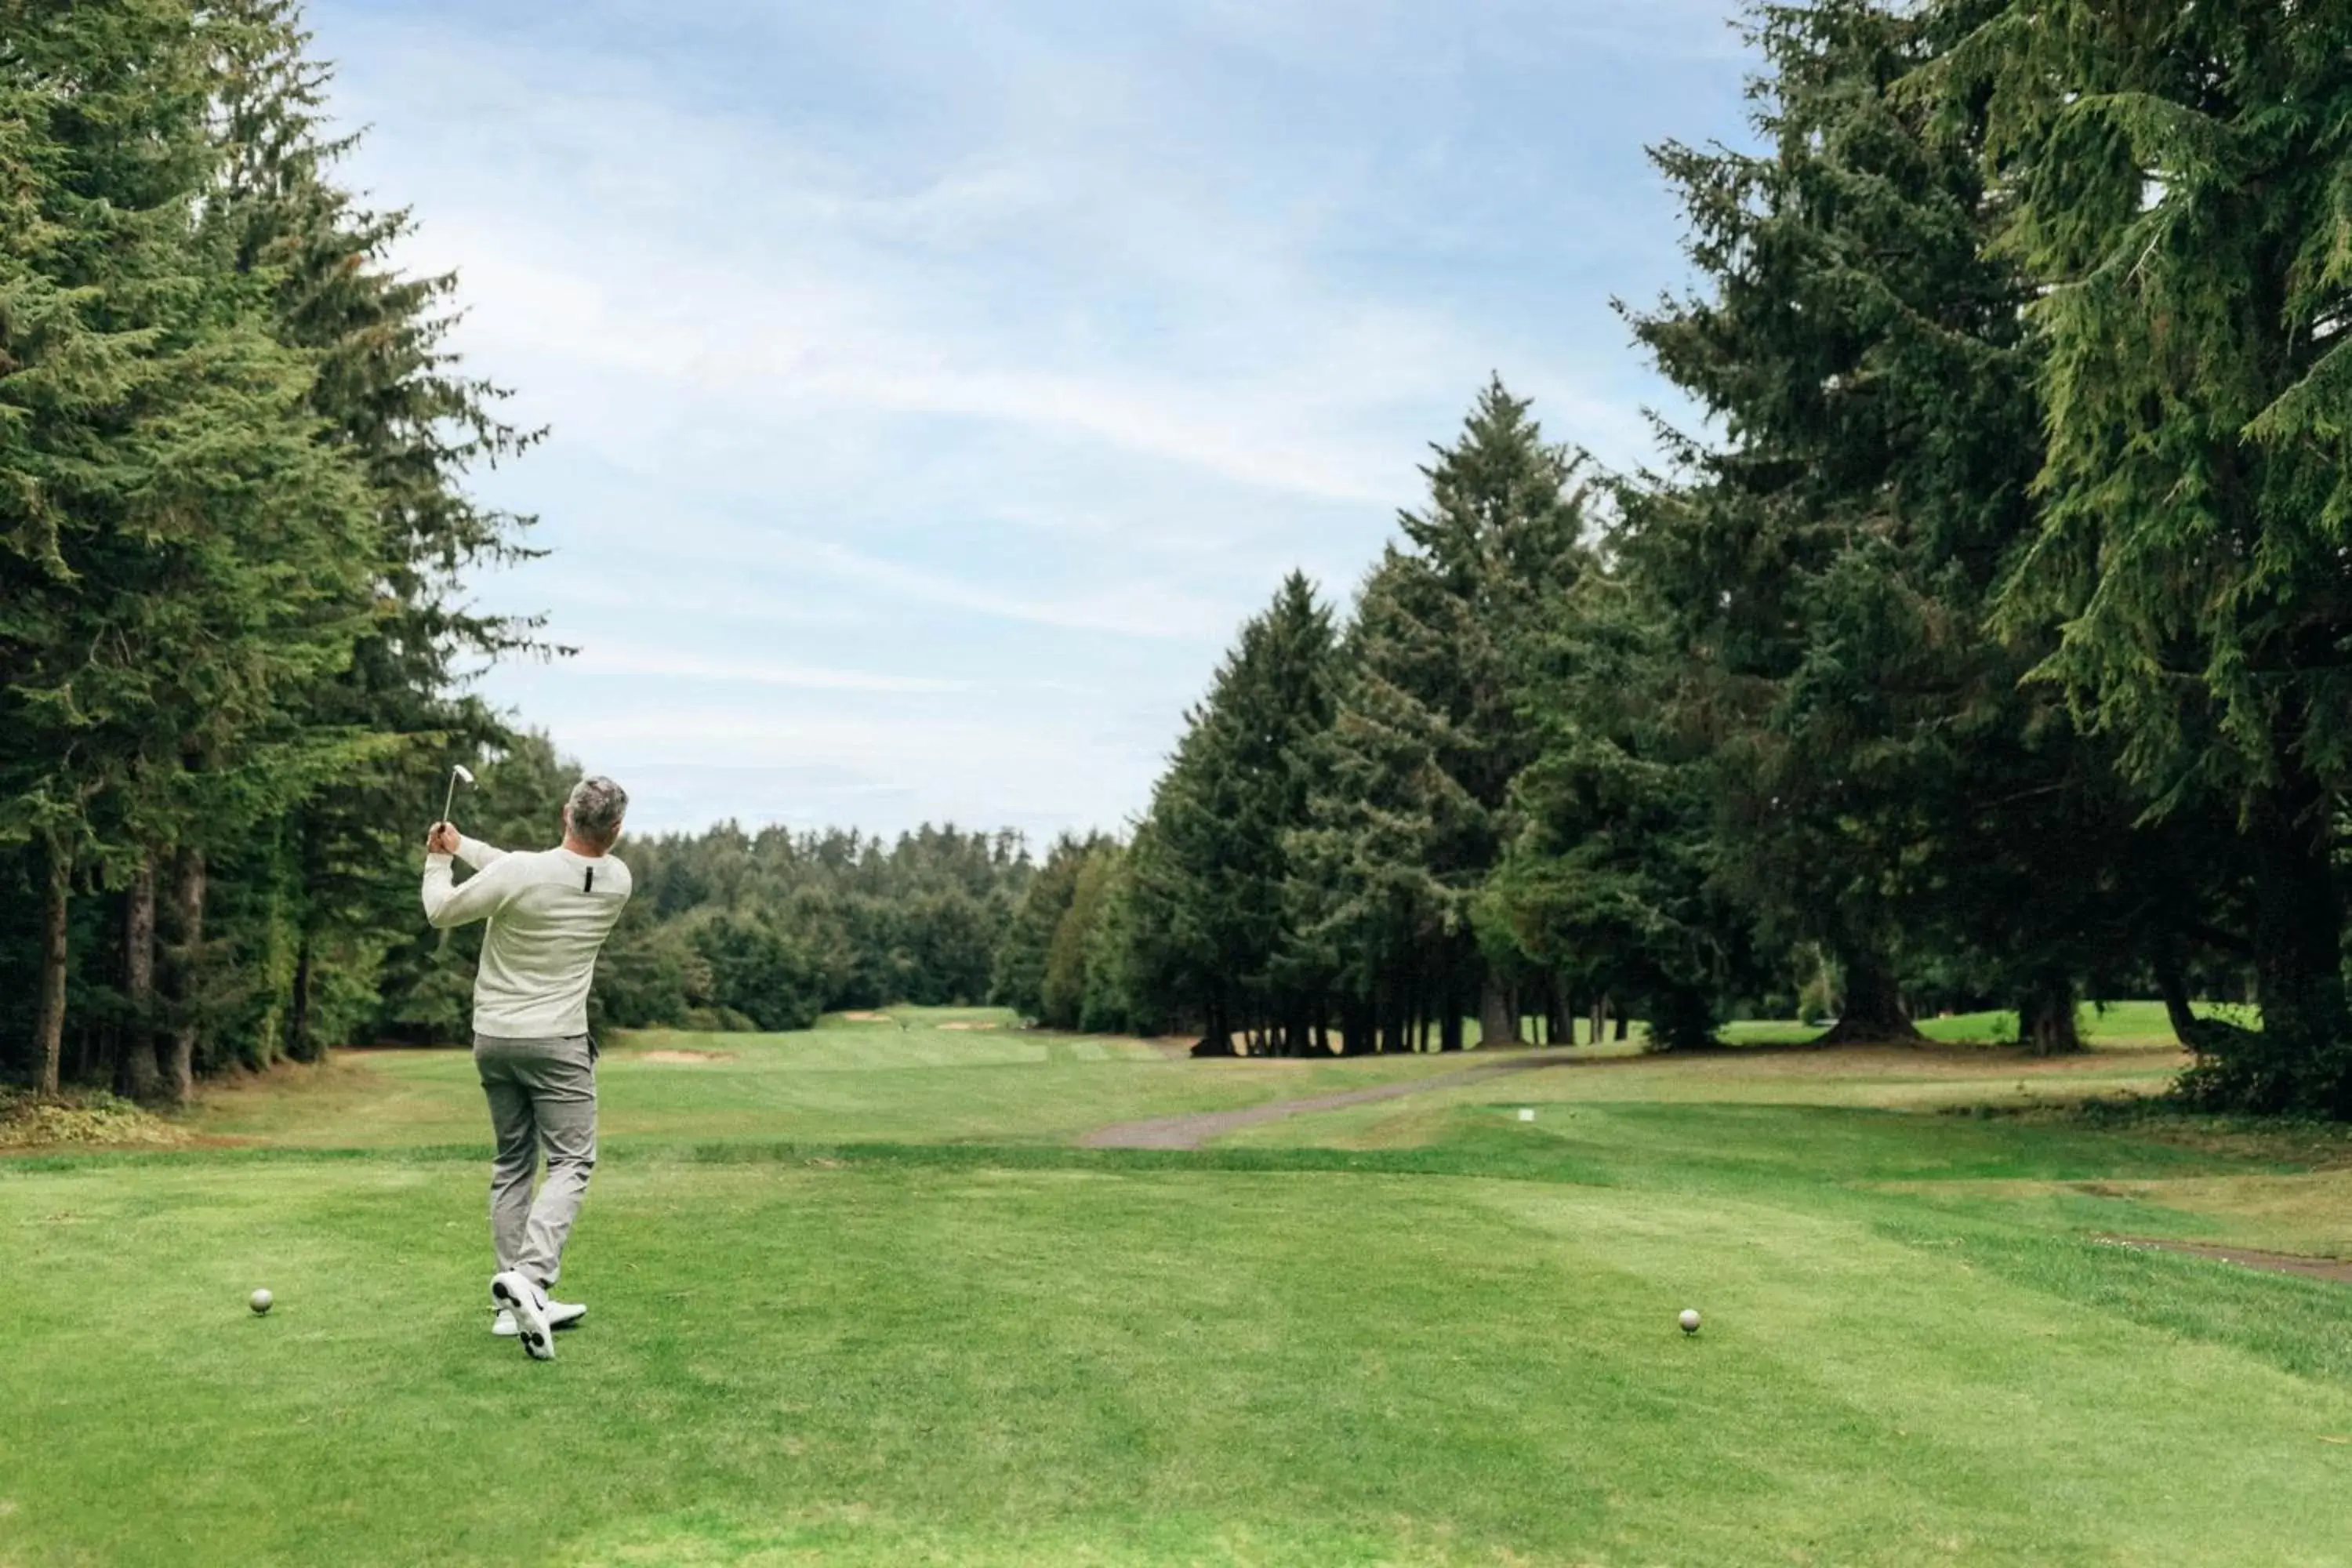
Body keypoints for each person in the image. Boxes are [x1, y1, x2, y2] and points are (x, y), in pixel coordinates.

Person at [422, 775, 633, 1360]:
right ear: (615, 830)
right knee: (572, 1160)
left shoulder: (522, 874)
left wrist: (439, 861)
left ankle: (509, 1304)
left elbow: (444, 908)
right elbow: (524, 869)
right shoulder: (617, 880)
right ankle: (532, 1282)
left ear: (567, 813)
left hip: (495, 1038)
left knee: (514, 1162)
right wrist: (463, 847)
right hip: (558, 1041)